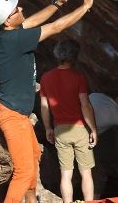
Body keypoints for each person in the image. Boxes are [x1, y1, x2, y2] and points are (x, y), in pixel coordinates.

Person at [0, 0, 95, 203]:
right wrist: (85, 7)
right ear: (8, 20)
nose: (21, 9)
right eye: (16, 10)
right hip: (12, 114)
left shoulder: (3, 34)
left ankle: (31, 200)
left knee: (35, 156)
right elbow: (56, 27)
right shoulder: (16, 40)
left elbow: (30, 22)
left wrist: (57, 2)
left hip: (17, 113)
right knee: (23, 172)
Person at [40, 39, 98, 203]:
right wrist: (93, 129)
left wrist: (47, 128)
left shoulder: (46, 78)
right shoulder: (78, 77)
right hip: (79, 129)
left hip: (59, 129)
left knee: (66, 174)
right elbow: (85, 105)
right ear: (74, 57)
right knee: (86, 173)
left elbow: (44, 106)